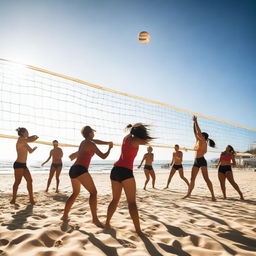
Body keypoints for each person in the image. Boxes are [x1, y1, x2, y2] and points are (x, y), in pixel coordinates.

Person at [105, 123, 153, 234]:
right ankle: (138, 231)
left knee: (115, 200)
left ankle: (107, 222)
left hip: (115, 170)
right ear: (140, 133)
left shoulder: (126, 138)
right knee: (132, 203)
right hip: (125, 171)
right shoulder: (136, 140)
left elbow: (135, 133)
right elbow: (146, 141)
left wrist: (135, 127)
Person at [61, 126, 113, 227]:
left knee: (75, 193)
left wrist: (107, 142)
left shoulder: (84, 142)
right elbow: (103, 156)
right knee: (93, 193)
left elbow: (95, 141)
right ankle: (95, 219)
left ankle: (64, 216)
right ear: (90, 134)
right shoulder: (91, 144)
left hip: (73, 169)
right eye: (93, 132)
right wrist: (109, 148)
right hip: (80, 169)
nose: (94, 134)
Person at [183, 116, 216, 201]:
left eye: (200, 135)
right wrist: (193, 123)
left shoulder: (203, 141)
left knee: (206, 179)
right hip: (196, 161)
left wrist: (196, 121)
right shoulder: (198, 140)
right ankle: (188, 194)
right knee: (192, 179)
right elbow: (195, 131)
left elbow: (198, 131)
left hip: (202, 160)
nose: (198, 135)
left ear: (203, 137)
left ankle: (213, 195)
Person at [10, 127, 38, 205]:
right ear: (22, 133)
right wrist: (35, 136)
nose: (28, 133)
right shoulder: (20, 140)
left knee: (30, 180)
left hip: (24, 165)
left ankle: (31, 199)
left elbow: (30, 151)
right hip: (18, 164)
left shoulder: (25, 142)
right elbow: (31, 139)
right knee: (17, 182)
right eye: (27, 131)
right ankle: (13, 199)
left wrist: (34, 148)